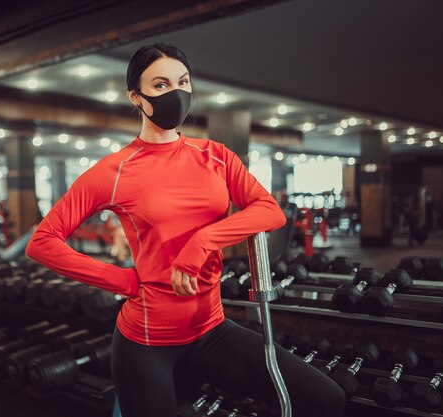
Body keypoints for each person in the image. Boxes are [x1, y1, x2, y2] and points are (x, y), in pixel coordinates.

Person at [26, 43, 346, 417]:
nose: (175, 93)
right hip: (145, 342)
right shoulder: (113, 172)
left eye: (183, 82)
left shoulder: (216, 156)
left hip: (211, 330)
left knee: (326, 398)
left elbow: (269, 211)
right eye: (160, 85)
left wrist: (203, 241)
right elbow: (42, 242)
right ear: (136, 97)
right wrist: (125, 281)